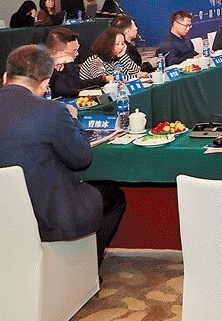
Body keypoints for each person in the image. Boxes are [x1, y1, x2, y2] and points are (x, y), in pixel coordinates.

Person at [0, 45, 127, 268]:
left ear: (5, 77)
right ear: (44, 84)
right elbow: (81, 159)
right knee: (113, 197)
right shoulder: (52, 111)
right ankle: (86, 271)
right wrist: (74, 120)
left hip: (7, 214)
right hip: (46, 215)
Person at [46, 27, 108, 97]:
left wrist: (102, 79)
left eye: (77, 49)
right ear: (54, 53)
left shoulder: (65, 65)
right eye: (74, 51)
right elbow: (73, 90)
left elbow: (78, 84)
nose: (77, 54)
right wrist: (69, 60)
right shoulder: (46, 71)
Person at [80, 28, 145, 82]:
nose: (121, 47)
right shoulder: (95, 60)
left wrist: (123, 56)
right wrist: (135, 76)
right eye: (117, 44)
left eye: (122, 43)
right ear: (107, 45)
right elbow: (104, 80)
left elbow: (137, 72)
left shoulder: (116, 58)